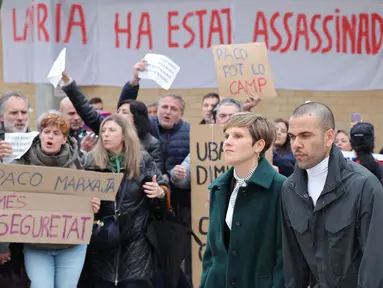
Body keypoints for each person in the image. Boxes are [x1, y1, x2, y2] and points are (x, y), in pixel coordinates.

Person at [281, 102, 383, 287]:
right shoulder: (290, 189)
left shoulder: (364, 186)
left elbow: (375, 265)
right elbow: (293, 263)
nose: (296, 144)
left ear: (329, 137)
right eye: (292, 136)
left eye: (305, 136)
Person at [12, 113, 100, 288]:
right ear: (40, 135)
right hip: (36, 246)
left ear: (65, 139)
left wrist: (93, 205)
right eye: (46, 131)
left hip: (72, 246)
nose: (50, 136)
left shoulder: (79, 163)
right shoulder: (21, 163)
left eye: (56, 133)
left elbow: (89, 196)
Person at [82, 115, 169, 288]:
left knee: (132, 284)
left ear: (124, 135)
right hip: (102, 239)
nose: (105, 134)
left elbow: (163, 187)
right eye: (103, 131)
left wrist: (160, 192)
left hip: (136, 240)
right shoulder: (90, 161)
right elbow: (78, 195)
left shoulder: (142, 159)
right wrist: (87, 204)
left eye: (112, 130)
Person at [200, 112, 285, 288]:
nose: (227, 142)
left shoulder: (280, 189)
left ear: (259, 145)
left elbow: (283, 257)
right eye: (226, 136)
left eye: (238, 136)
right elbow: (211, 253)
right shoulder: (218, 188)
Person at [61, 71, 163, 171]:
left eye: (124, 112)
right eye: (118, 111)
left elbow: (155, 177)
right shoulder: (107, 128)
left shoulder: (150, 145)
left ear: (136, 118)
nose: (106, 133)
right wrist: (68, 83)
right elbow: (86, 109)